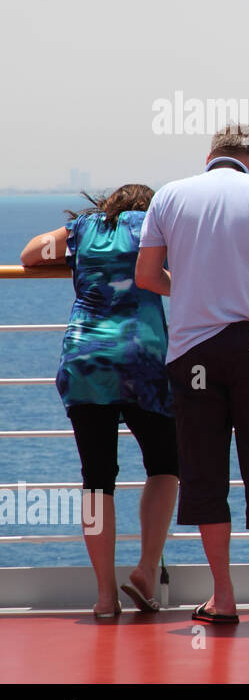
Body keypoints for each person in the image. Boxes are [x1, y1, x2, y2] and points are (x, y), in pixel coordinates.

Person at [135, 124, 249, 624]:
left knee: (203, 470)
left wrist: (195, 290)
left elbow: (147, 276)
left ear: (210, 156)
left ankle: (223, 597)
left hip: (193, 350)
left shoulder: (171, 196)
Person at [21, 186, 180, 618]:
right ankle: (146, 570)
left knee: (96, 481)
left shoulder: (83, 229)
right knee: (166, 465)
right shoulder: (152, 228)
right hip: (141, 361)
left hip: (85, 360)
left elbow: (30, 254)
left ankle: (105, 596)